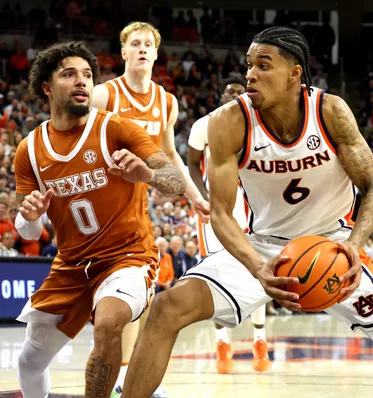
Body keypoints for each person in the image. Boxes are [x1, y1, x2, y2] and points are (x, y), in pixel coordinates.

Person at [122, 27, 373, 398]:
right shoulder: (228, 121)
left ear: (295, 72)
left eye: (263, 65)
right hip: (265, 248)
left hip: (335, 248)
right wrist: (257, 266)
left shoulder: (331, 111)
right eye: (249, 65)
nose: (251, 74)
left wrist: (354, 245)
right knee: (165, 308)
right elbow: (222, 214)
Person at [13, 41, 185, 398]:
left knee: (109, 324)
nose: (82, 82)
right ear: (47, 87)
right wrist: (30, 218)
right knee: (29, 361)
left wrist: (148, 175)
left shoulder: (115, 128)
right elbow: (27, 230)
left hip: (128, 257)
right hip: (72, 266)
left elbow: (176, 181)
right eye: (69, 74)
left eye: (88, 75)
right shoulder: (29, 149)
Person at [90, 22, 209, 396]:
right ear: (123, 52)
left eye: (148, 45)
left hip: (136, 206)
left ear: (156, 55)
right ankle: (115, 373)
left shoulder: (167, 102)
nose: (142, 49)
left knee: (141, 294)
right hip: (97, 206)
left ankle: (126, 374)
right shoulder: (103, 95)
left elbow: (170, 156)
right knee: (111, 303)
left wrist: (196, 197)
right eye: (135, 43)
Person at [187, 77, 271, 374]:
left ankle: (260, 339)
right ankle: (223, 343)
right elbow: (191, 165)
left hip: (251, 213)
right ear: (221, 95)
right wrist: (203, 197)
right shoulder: (204, 125)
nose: (235, 95)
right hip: (215, 212)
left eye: (240, 92)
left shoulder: (259, 126)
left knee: (254, 275)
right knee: (217, 276)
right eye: (230, 92)